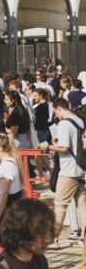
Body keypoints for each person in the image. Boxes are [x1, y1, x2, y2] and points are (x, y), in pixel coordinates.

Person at [39, 99, 86, 240]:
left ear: (59, 108)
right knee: (82, 205)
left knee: (60, 204)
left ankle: (52, 236)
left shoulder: (64, 124)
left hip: (68, 170)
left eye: (55, 111)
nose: (55, 115)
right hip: (81, 168)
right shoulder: (79, 120)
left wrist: (47, 147)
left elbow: (64, 148)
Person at [0, 199, 56, 269]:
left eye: (49, 231)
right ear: (24, 233)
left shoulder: (40, 260)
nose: (48, 239)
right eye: (41, 233)